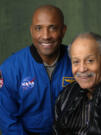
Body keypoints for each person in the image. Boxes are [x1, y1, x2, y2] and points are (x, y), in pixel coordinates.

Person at [0, 5, 73, 135]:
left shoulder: (77, 61)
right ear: (31, 31)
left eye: (53, 28)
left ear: (63, 30)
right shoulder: (9, 69)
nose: (46, 36)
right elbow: (8, 121)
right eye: (39, 28)